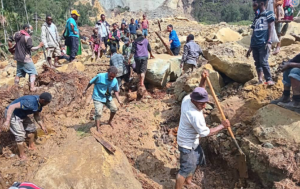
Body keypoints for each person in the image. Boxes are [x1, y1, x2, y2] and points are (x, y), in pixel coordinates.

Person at [175, 71, 231, 189]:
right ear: (194, 101)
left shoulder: (187, 98)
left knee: (198, 160)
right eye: (202, 104)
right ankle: (179, 185)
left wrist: (203, 79)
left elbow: (200, 90)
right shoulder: (194, 115)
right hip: (186, 144)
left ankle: (188, 182)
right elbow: (205, 133)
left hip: (192, 141)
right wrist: (222, 126)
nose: (204, 106)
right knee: (184, 170)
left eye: (205, 103)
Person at [1, 93, 52, 160]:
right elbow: (11, 107)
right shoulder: (29, 102)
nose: (47, 104)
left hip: (22, 115)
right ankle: (22, 155)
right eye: (47, 103)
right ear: (42, 100)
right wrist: (7, 121)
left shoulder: (39, 104)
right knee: (20, 135)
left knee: (32, 129)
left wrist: (42, 126)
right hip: (13, 114)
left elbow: (36, 115)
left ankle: (31, 145)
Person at [83, 66, 123, 132]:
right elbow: (90, 82)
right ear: (108, 72)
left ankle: (109, 121)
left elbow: (116, 91)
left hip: (107, 97)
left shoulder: (115, 81)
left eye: (113, 77)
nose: (111, 78)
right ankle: (98, 128)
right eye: (110, 76)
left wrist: (119, 100)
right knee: (98, 113)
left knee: (114, 109)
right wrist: (85, 90)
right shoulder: (100, 76)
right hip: (98, 97)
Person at [246, 0, 275, 86]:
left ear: (261, 3)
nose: (253, 5)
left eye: (255, 3)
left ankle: (269, 79)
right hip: (255, 43)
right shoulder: (256, 18)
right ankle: (260, 79)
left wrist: (269, 41)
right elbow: (254, 32)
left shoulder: (268, 14)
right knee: (257, 62)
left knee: (263, 61)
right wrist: (250, 47)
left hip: (263, 42)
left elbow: (271, 27)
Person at [11, 24, 43, 92]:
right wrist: (39, 46)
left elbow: (9, 40)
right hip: (26, 58)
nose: (32, 31)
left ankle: (15, 87)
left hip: (18, 58)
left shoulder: (17, 34)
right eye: (31, 29)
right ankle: (32, 87)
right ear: (26, 28)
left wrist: (11, 49)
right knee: (32, 72)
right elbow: (31, 49)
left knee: (18, 73)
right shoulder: (27, 38)